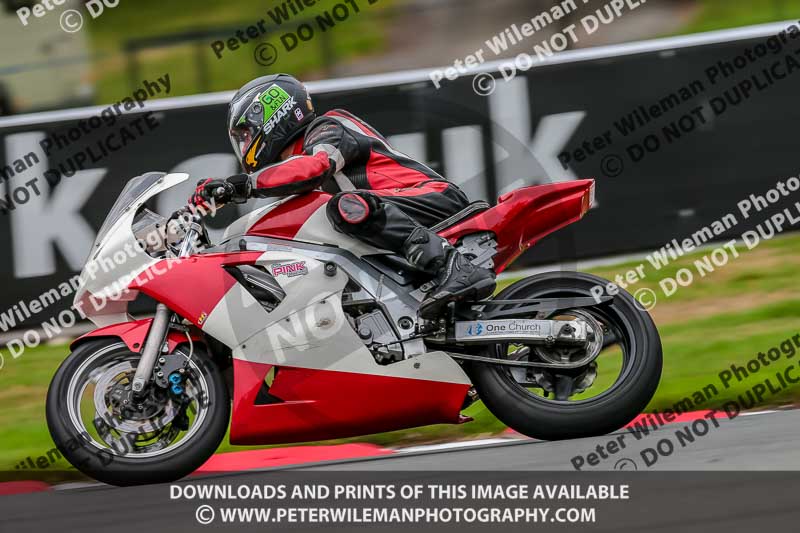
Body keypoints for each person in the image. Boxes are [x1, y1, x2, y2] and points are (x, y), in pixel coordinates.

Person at [190, 74, 495, 318]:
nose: (244, 144)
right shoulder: (296, 162)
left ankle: (453, 266)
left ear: (271, 114)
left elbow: (314, 166)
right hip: (396, 215)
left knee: (344, 207)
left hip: (433, 199)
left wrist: (239, 186)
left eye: (245, 134)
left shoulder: (329, 127)